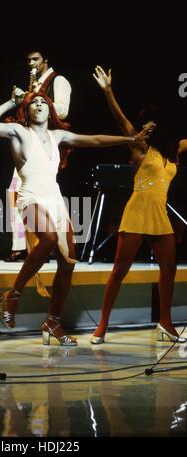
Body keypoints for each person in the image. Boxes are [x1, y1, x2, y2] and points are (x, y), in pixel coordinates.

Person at [0, 90, 148, 346]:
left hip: (55, 200)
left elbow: (95, 140)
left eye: (43, 102)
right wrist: (10, 102)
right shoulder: (19, 133)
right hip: (30, 196)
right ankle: (12, 294)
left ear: (50, 110)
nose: (38, 104)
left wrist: (129, 138)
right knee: (47, 239)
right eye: (32, 102)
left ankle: (52, 321)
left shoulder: (58, 136)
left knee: (68, 263)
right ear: (27, 109)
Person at [91, 65, 187, 345]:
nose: (149, 127)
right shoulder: (139, 147)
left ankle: (165, 323)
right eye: (145, 123)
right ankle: (102, 326)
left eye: (153, 123)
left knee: (169, 270)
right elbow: (120, 119)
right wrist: (108, 91)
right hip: (136, 213)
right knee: (119, 271)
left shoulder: (173, 150)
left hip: (159, 216)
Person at [5, 49, 72, 262]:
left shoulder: (58, 80)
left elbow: (62, 110)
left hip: (48, 141)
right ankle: (29, 246)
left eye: (35, 59)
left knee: (37, 194)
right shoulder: (35, 83)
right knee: (16, 192)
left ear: (46, 61)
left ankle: (39, 245)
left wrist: (39, 101)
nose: (31, 63)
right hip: (31, 141)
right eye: (29, 60)